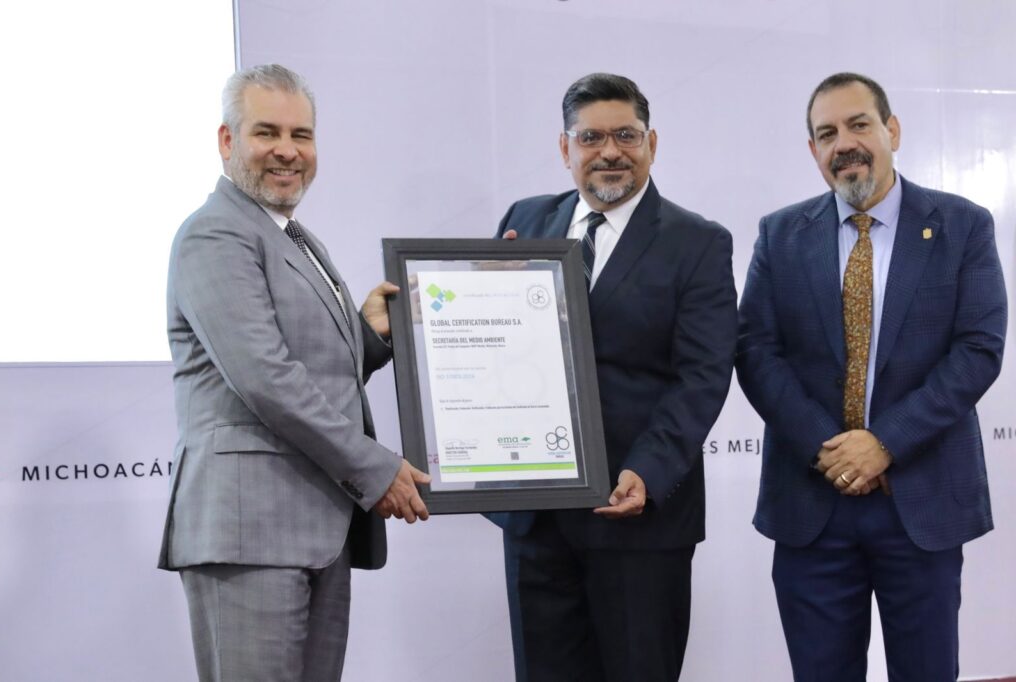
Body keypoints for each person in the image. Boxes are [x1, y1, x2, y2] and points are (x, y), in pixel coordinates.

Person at [158, 64, 430, 682]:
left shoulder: (295, 237)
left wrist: (366, 335)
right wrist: (376, 468)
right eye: (267, 132)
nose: (287, 150)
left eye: (301, 135)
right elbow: (265, 379)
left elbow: (307, 369)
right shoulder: (216, 233)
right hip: (250, 534)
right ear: (227, 140)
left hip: (316, 527)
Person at [736, 72, 1007, 681]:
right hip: (812, 501)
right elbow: (755, 350)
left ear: (893, 130)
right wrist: (830, 450)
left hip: (921, 498)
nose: (844, 143)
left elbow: (978, 350)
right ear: (813, 150)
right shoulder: (780, 235)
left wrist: (884, 443)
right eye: (826, 133)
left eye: (859, 124)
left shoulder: (963, 225)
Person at [488, 72, 738, 681]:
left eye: (626, 135)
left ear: (652, 143)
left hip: (637, 517)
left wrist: (648, 471)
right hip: (537, 519)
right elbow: (492, 343)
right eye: (591, 137)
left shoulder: (698, 241)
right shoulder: (526, 219)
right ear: (564, 148)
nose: (609, 152)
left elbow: (702, 376)